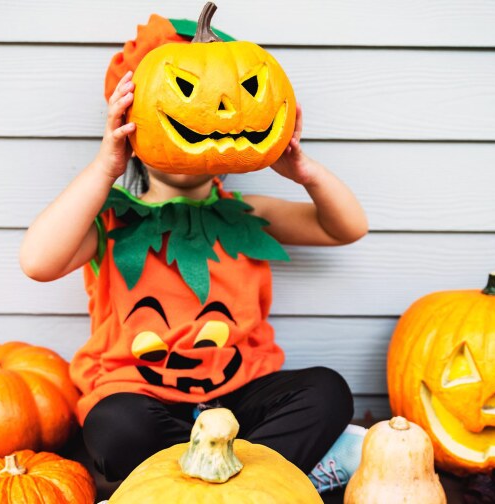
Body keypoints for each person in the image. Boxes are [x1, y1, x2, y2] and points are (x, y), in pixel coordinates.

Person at [20, 33, 369, 498]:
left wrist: (304, 171)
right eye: (185, 96)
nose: (210, 112)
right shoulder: (109, 220)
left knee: (327, 390)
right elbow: (37, 262)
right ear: (133, 121)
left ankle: (223, 481)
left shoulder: (248, 212)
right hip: (146, 397)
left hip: (242, 394)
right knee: (115, 428)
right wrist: (105, 167)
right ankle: (280, 476)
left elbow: (346, 228)